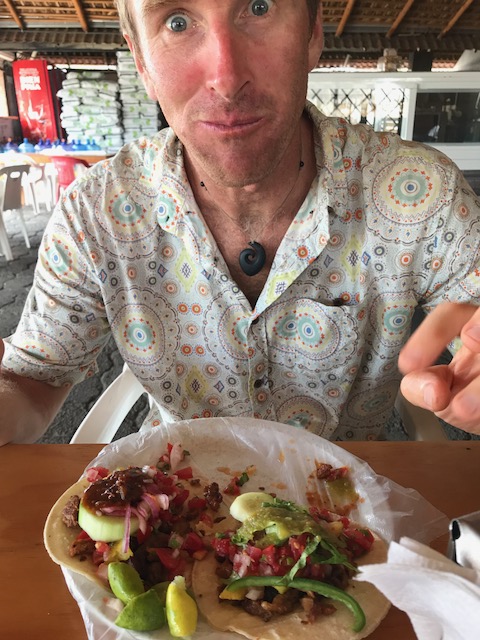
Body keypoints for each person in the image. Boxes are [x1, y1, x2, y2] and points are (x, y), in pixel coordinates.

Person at [1, 0, 479, 446]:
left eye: (259, 6)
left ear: (313, 34)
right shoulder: (96, 210)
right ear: (141, 62)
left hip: (346, 496)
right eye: (177, 22)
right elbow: (33, 377)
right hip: (177, 492)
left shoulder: (422, 191)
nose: (226, 80)